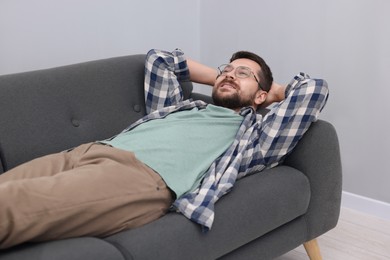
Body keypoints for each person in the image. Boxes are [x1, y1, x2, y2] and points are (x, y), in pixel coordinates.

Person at [0, 48, 329, 249]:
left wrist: (271, 92)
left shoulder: (254, 135)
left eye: (243, 74)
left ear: (261, 95)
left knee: (11, 206)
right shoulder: (181, 106)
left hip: (138, 179)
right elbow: (160, 60)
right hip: (87, 152)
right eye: (226, 70)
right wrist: (226, 77)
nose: (229, 75)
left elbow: (314, 90)